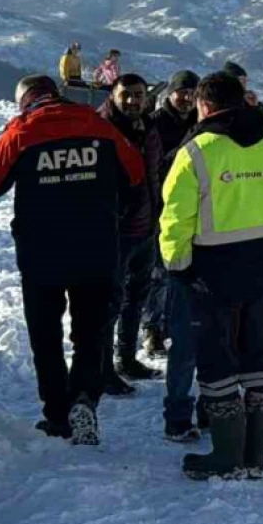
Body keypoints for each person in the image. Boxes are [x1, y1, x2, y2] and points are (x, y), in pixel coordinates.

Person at [0, 75, 144, 445]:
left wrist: (7, 139)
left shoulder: (22, 131)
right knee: (90, 333)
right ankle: (84, 399)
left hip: (41, 254)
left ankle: (57, 414)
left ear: (24, 101)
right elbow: (136, 172)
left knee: (46, 337)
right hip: (96, 249)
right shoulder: (96, 124)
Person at [160, 73, 263, 480]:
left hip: (211, 272)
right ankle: (255, 454)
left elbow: (174, 220)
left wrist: (179, 267)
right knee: (260, 354)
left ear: (204, 107)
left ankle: (226, 456)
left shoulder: (197, 152)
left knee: (217, 358)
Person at [97, 74, 164, 395]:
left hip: (147, 227)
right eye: (126, 95)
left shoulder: (148, 127)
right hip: (114, 232)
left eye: (138, 95)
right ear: (113, 94)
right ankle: (102, 368)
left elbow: (154, 174)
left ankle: (126, 358)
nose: (133, 101)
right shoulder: (101, 129)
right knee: (108, 302)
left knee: (136, 297)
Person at [144, 70, 198, 363]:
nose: (187, 99)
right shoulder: (154, 123)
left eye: (192, 93)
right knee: (159, 272)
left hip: (194, 209)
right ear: (170, 93)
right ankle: (152, 326)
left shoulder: (200, 122)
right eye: (182, 92)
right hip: (160, 209)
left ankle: (177, 323)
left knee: (186, 271)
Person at [222, 60, 263, 132]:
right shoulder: (219, 102)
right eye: (241, 80)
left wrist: (256, 106)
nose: (244, 84)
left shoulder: (247, 100)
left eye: (245, 81)